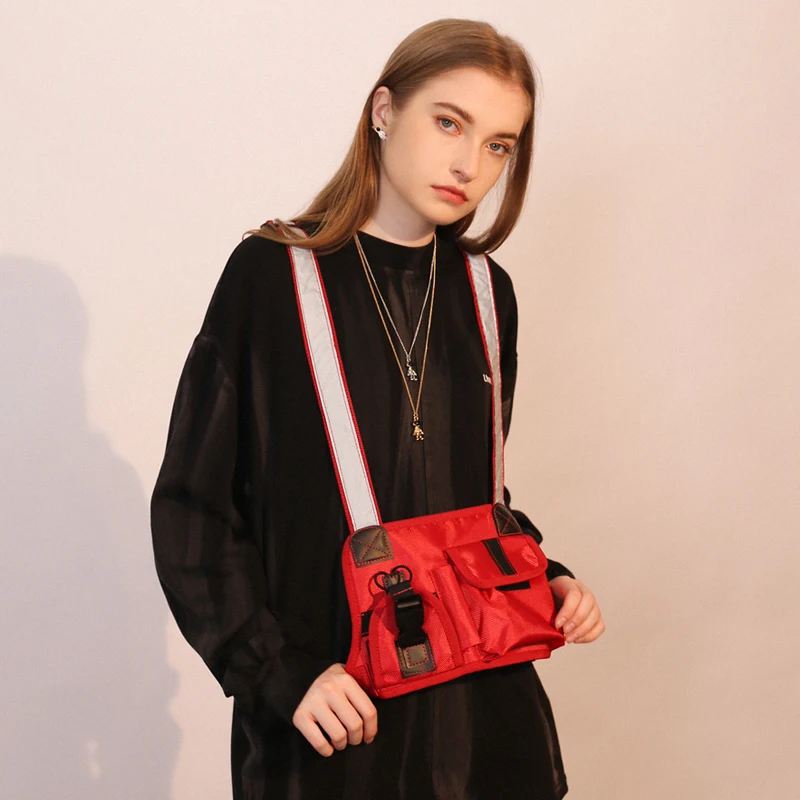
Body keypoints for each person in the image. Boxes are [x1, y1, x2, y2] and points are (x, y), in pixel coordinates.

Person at [151, 17, 605, 800]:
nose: (469, 164)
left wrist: (545, 577)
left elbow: (472, 499)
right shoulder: (271, 277)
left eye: (499, 145)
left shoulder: (487, 294)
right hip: (337, 718)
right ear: (384, 110)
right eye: (449, 122)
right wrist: (277, 673)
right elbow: (194, 510)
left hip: (484, 726)